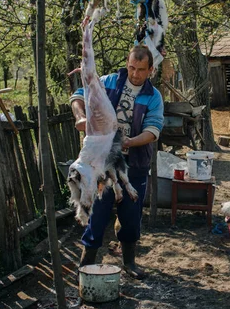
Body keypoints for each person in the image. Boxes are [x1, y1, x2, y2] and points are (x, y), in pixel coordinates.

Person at [70, 45, 164, 279]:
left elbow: (153, 130)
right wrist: (81, 117)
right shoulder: (107, 82)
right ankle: (86, 263)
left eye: (141, 70)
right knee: (98, 213)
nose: (135, 74)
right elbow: (78, 96)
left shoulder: (153, 96)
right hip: (101, 165)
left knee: (131, 216)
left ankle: (129, 262)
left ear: (150, 69)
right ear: (127, 63)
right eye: (132, 67)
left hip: (135, 166)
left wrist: (129, 142)